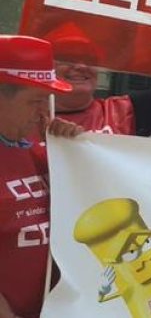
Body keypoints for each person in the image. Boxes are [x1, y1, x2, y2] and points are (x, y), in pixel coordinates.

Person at [0, 35, 78, 318]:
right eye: (35, 100)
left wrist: (73, 150)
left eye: (47, 98)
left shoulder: (41, 148)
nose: (44, 110)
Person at [46, 23, 151, 137]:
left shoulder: (122, 112)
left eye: (89, 59)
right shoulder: (32, 120)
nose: (81, 66)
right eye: (68, 58)